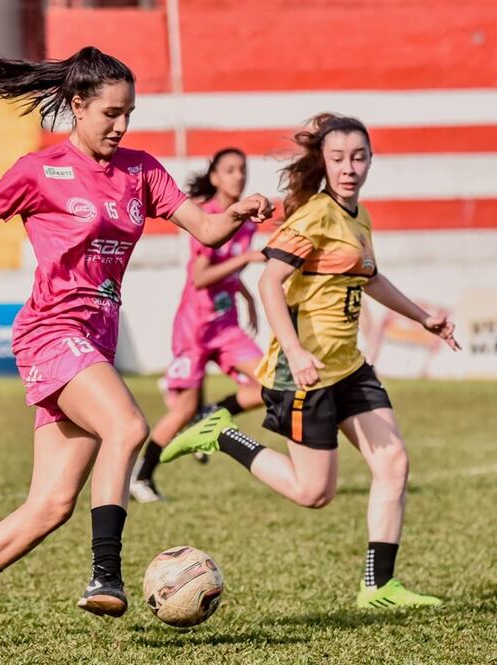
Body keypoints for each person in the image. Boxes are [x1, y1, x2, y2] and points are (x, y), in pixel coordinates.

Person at [0, 46, 272, 643]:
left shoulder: (142, 170)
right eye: (111, 113)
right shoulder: (40, 169)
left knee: (49, 507)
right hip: (50, 333)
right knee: (127, 426)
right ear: (77, 105)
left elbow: (208, 227)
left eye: (130, 113)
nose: (122, 125)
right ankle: (105, 576)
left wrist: (243, 211)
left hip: (93, 341)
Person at [159, 113, 460, 609]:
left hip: (347, 366)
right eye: (338, 158)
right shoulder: (315, 216)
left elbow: (371, 276)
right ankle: (220, 432)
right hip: (305, 371)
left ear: (369, 162)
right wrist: (296, 352)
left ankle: (378, 586)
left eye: (358, 158)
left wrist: (423, 317)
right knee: (313, 493)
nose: (349, 168)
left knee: (393, 462)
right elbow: (269, 282)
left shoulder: (357, 217)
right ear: (323, 162)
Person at [130, 148, 266, 503]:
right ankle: (141, 477)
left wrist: (246, 295)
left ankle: (213, 412)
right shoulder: (205, 215)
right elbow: (202, 276)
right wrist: (246, 259)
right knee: (183, 409)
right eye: (230, 170)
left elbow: (229, 271)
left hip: (226, 327)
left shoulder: (247, 222)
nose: (238, 176)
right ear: (216, 177)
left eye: (243, 169)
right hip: (194, 328)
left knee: (273, 383)